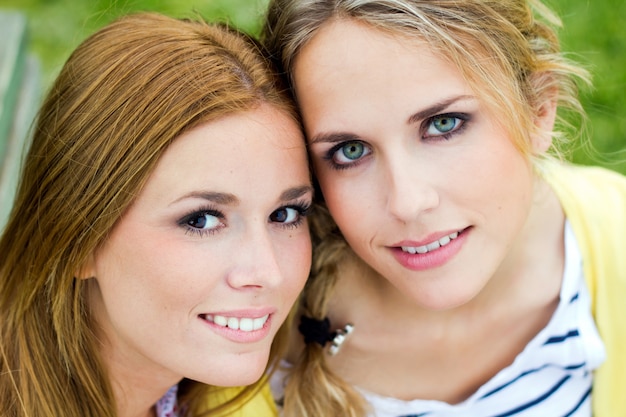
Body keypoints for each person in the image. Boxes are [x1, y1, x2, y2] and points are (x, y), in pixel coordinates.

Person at [262, 0, 626, 416]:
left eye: (443, 124)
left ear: (539, 109)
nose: (408, 203)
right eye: (351, 150)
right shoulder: (250, 339)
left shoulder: (617, 242)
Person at [0, 12, 315, 417]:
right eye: (202, 220)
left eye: (285, 213)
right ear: (78, 239)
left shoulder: (218, 396)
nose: (268, 272)